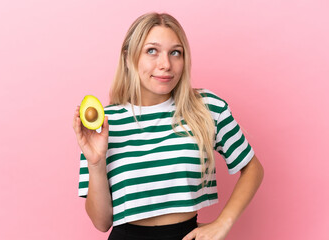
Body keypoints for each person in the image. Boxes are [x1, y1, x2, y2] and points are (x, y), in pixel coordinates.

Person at [73, 12, 264, 240]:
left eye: (175, 53)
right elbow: (101, 222)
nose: (166, 64)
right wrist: (95, 163)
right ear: (128, 57)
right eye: (152, 51)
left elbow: (253, 168)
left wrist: (223, 223)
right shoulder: (104, 123)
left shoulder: (206, 108)